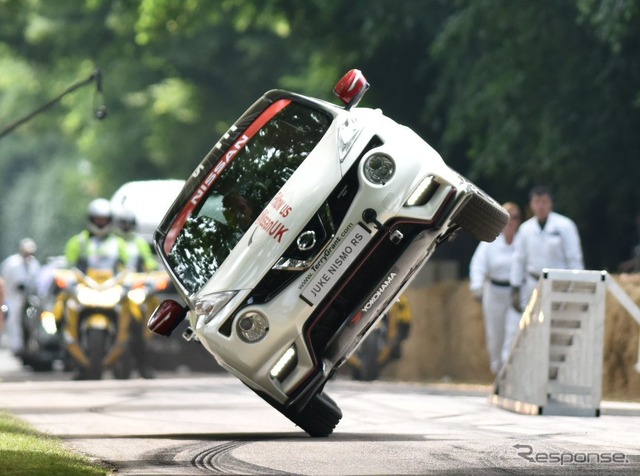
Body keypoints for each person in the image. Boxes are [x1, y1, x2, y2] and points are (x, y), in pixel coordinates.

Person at [510, 186, 584, 313]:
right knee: (533, 325)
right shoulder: (525, 229)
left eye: (544, 202)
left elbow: (574, 257)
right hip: (533, 283)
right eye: (537, 202)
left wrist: (578, 285)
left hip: (560, 284)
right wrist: (515, 287)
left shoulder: (565, 226)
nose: (540, 206)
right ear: (531, 205)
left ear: (551, 203)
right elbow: (519, 259)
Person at [469, 202, 522, 374]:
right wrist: (477, 286)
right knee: (496, 335)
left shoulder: (524, 240)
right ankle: (498, 369)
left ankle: (510, 372)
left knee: (514, 332)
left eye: (515, 217)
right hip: (494, 293)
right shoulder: (490, 242)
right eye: (507, 217)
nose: (511, 222)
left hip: (516, 293)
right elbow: (478, 264)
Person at [113, 207, 157, 379]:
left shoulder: (139, 243)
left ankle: (143, 365)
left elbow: (149, 262)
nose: (125, 227)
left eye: (128, 224)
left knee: (141, 326)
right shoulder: (111, 242)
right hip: (112, 288)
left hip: (134, 288)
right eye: (122, 224)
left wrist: (152, 270)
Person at [0, 238, 41, 356]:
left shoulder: (34, 264)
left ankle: (32, 343)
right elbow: (5, 280)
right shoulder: (11, 263)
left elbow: (37, 281)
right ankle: (16, 346)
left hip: (30, 298)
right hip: (13, 297)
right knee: (13, 319)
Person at [113, 208, 158, 272]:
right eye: (123, 223)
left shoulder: (139, 241)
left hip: (133, 276)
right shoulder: (112, 240)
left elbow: (148, 259)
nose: (126, 226)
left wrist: (153, 267)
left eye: (129, 224)